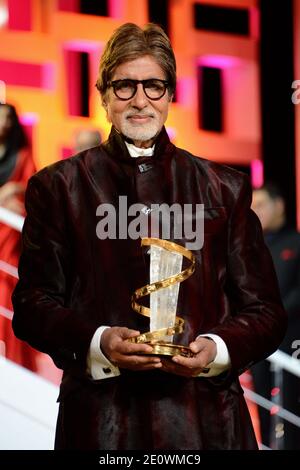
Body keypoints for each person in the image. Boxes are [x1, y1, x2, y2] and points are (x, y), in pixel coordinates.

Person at [12, 23, 286, 450]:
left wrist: (216, 349)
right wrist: (99, 341)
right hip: (104, 423)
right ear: (103, 94)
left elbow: (266, 311)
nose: (140, 100)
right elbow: (32, 305)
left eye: (154, 85)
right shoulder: (59, 187)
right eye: (125, 86)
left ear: (171, 95)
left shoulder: (224, 187)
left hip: (206, 423)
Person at [251, 182, 300, 449]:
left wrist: (274, 314)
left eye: (260, 205)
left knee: (292, 404)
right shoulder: (251, 247)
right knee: (261, 401)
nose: (254, 212)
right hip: (259, 342)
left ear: (278, 206)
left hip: (291, 341)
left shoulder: (297, 242)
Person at [0, 102, 38, 370]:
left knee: (8, 290)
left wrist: (14, 189)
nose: (3, 124)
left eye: (6, 119)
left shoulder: (23, 156)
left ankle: (13, 357)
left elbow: (35, 192)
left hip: (9, 235)